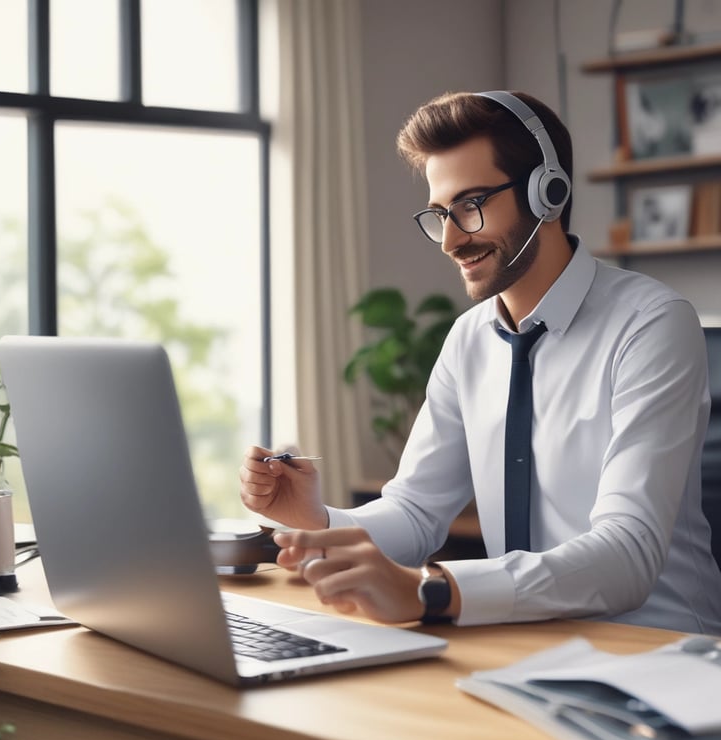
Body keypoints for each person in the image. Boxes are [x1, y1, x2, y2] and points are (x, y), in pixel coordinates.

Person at [240, 90, 721, 635]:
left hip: (660, 653)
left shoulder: (651, 325)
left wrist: (435, 591)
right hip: (524, 645)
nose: (449, 240)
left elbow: (627, 554)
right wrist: (319, 522)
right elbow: (416, 511)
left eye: (470, 206)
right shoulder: (469, 340)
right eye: (440, 214)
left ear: (548, 194)